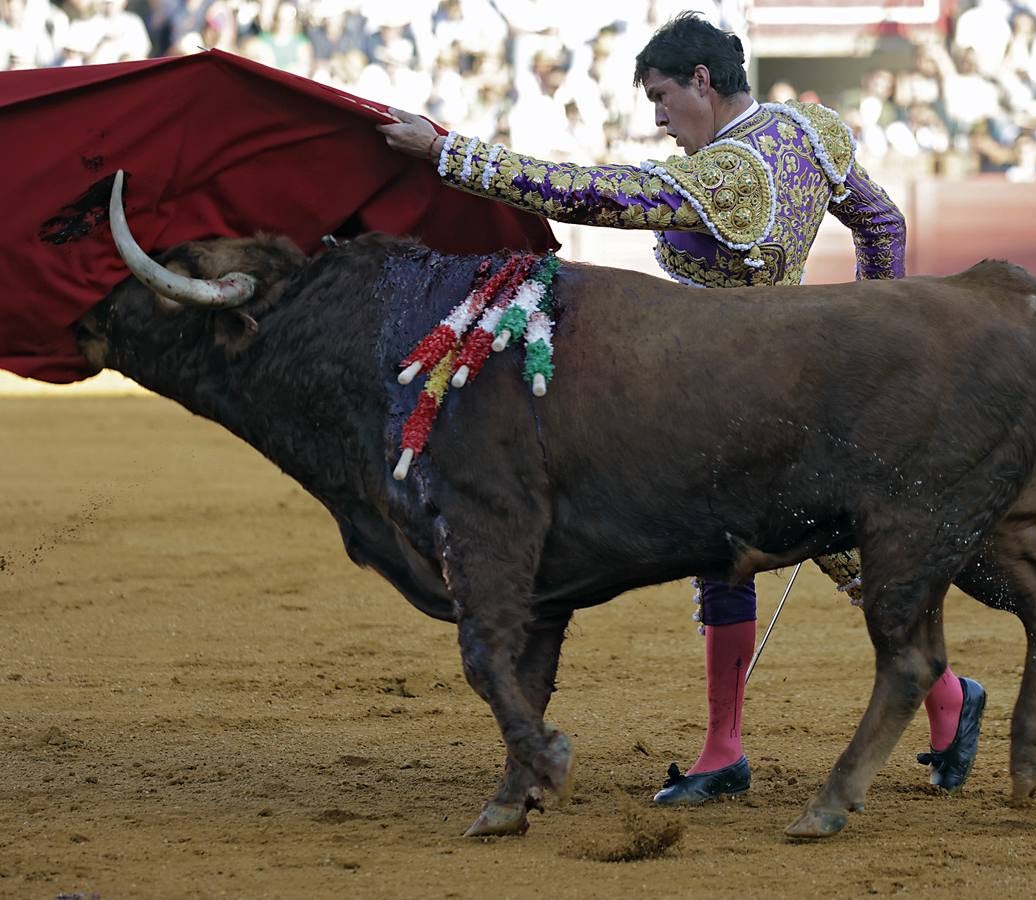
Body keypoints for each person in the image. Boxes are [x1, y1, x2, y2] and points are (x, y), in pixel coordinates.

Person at [378, 11, 985, 806]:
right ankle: (908, 710)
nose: (657, 117)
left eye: (662, 96)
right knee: (811, 555)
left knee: (763, 551)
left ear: (703, 80)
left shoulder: (729, 176)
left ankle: (768, 741)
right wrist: (862, 341)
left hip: (722, 389)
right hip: (792, 376)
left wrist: (446, 152)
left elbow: (587, 192)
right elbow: (881, 222)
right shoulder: (805, 131)